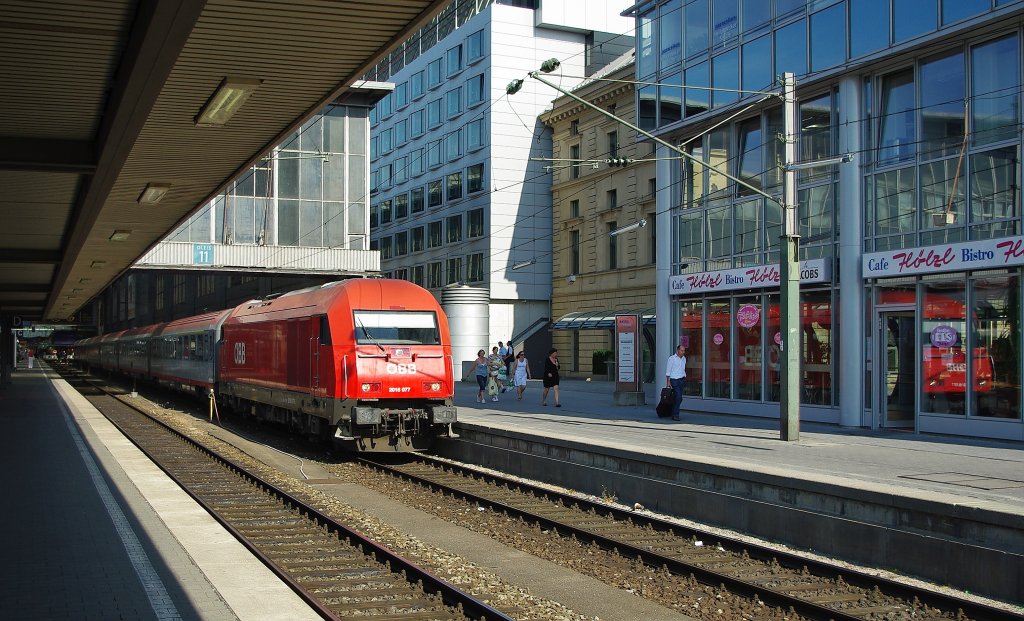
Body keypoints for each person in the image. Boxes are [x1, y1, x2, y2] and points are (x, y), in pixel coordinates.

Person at [665, 344, 687, 421]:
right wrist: (668, 382)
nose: (683, 352)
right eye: (681, 350)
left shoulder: (684, 359)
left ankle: (672, 411)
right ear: (677, 351)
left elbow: (683, 369)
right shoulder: (671, 359)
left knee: (679, 398)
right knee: (678, 397)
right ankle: (675, 414)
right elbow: (668, 371)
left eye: (684, 350)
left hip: (681, 379)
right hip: (674, 379)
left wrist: (684, 376)